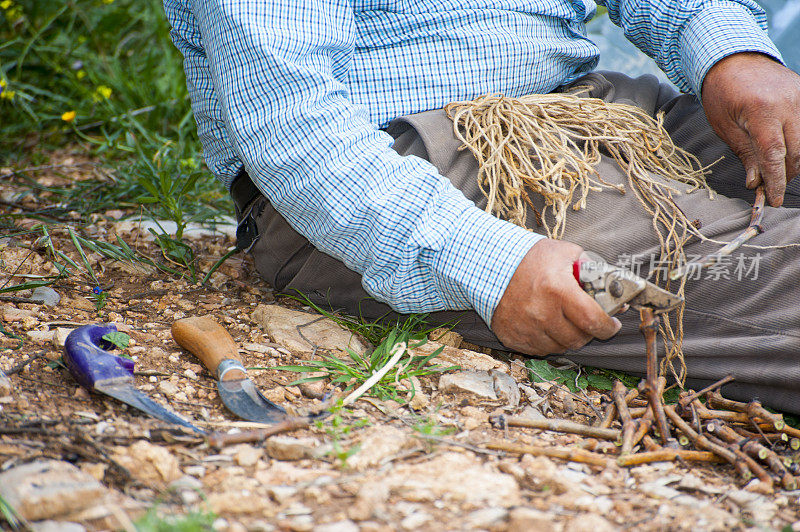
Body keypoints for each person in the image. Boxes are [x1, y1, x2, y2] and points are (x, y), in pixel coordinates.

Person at [162, 1, 800, 412]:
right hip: (411, 165)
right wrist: (488, 261)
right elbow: (292, 125)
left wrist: (731, 53)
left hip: (593, 105)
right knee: (777, 276)